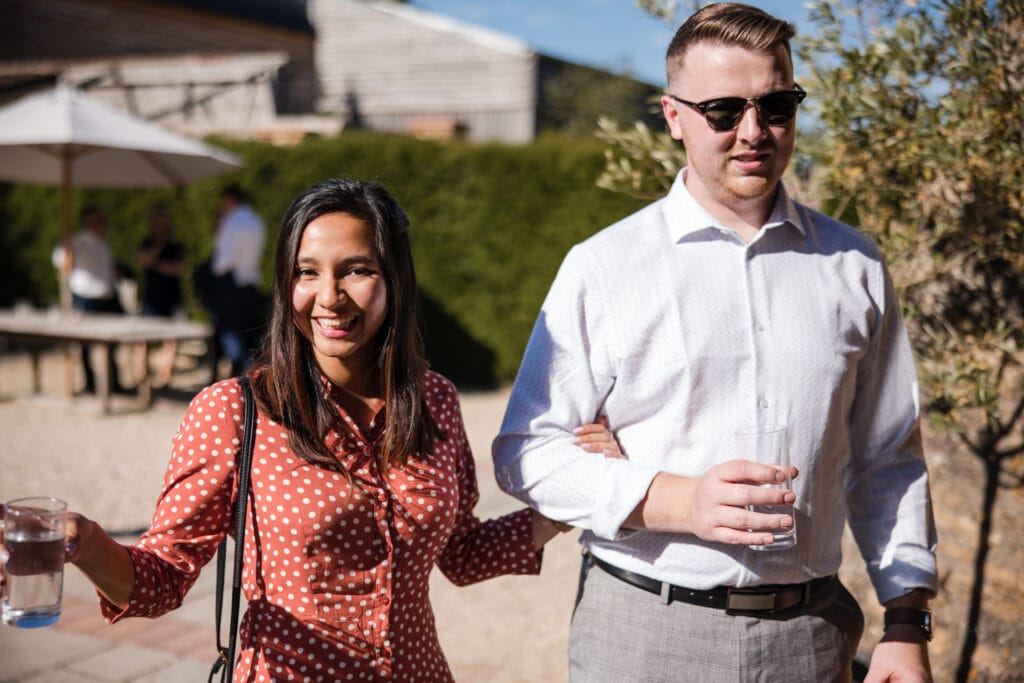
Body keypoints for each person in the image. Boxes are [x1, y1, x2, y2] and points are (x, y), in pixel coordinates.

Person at [2, 178, 620, 681]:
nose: (330, 297)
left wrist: (573, 498)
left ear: (395, 278)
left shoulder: (434, 399)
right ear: (285, 283)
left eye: (356, 270)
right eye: (307, 272)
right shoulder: (234, 411)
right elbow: (161, 581)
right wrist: (83, 541)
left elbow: (458, 555)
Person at [492, 4, 937, 682]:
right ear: (674, 116)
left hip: (813, 639)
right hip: (642, 634)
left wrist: (906, 621)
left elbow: (889, 457)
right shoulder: (603, 265)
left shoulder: (856, 266)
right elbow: (526, 451)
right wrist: (676, 499)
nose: (754, 132)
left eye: (777, 105)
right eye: (724, 110)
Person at [51, 205, 130, 394]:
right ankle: (91, 383)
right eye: (99, 220)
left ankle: (113, 382)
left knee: (113, 341)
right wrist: (65, 246)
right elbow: (60, 261)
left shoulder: (103, 243)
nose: (103, 224)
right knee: (85, 345)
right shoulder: (77, 242)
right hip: (86, 298)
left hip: (107, 297)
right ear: (89, 222)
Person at [208, 182, 267, 377]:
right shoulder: (257, 221)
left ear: (230, 200)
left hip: (231, 284)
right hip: (250, 283)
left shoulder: (232, 221)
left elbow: (224, 260)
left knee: (231, 334)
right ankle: (251, 377)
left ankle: (242, 380)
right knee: (248, 335)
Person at [134, 204, 185, 387]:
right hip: (151, 298)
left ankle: (165, 378)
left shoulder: (175, 246)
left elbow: (178, 269)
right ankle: (142, 377)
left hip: (170, 298)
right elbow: (143, 262)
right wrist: (158, 248)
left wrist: (155, 265)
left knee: (170, 340)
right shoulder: (147, 243)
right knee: (142, 340)